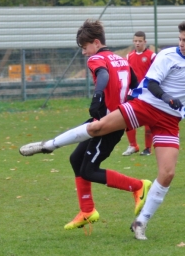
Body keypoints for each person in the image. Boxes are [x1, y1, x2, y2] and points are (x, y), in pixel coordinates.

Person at [20, 21, 185, 240]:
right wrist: (166, 97)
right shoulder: (167, 56)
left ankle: (140, 222)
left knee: (167, 174)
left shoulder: (101, 58)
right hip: (146, 105)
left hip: (170, 119)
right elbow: (151, 84)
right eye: (181, 39)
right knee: (95, 130)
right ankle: (48, 146)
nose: (182, 44)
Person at [122, 31, 156, 156]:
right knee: (128, 117)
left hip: (147, 92)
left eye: (140, 41)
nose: (137, 43)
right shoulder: (128, 57)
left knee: (148, 121)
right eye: (135, 41)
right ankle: (133, 145)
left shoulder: (152, 56)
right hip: (133, 92)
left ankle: (147, 148)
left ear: (145, 42)